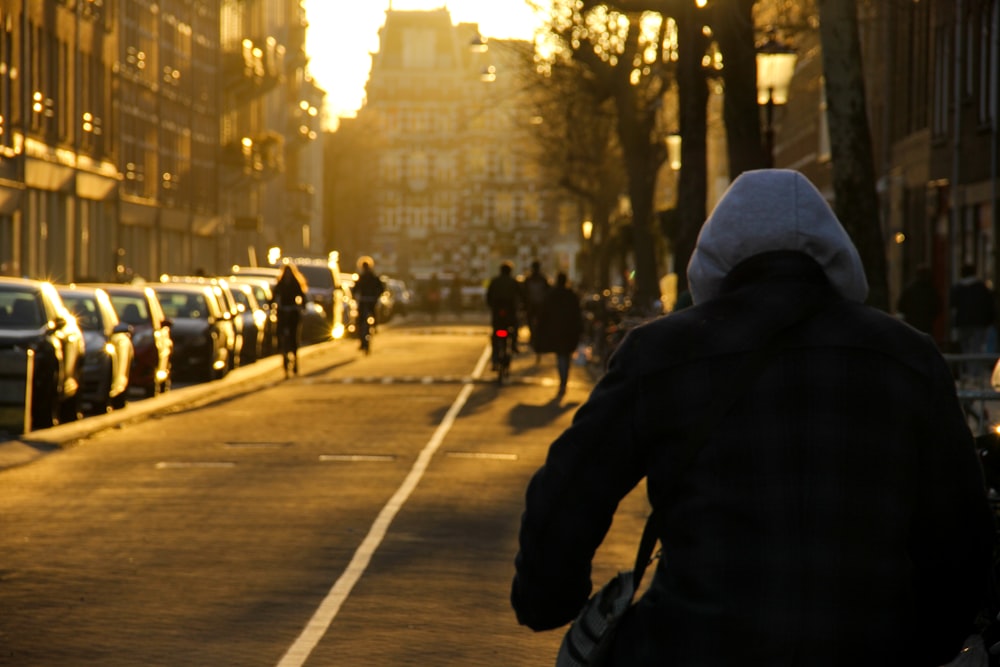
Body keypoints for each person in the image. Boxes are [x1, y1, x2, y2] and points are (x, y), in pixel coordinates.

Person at [511, 169, 994, 665]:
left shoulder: (661, 354)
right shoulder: (908, 358)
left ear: (714, 258)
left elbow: (571, 485)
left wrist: (547, 596)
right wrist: (924, 639)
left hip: (695, 643)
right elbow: (960, 527)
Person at [535, 272, 582, 396]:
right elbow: (577, 313)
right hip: (569, 330)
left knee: (561, 356)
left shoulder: (551, 295)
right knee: (565, 355)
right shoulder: (571, 295)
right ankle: (564, 381)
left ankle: (563, 382)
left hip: (556, 330)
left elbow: (543, 313)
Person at [271, 262, 307, 375]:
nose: (287, 276)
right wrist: (271, 303)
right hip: (282, 311)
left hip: (292, 311)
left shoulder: (295, 283)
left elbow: (302, 295)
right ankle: (283, 352)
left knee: (293, 336)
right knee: (281, 333)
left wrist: (302, 306)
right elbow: (274, 295)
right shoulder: (280, 284)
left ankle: (295, 359)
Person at [486, 261, 521, 366]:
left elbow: (488, 296)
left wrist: (491, 306)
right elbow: (522, 295)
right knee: (515, 327)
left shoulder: (494, 281)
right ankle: (514, 345)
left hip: (497, 313)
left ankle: (495, 356)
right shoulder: (513, 282)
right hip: (510, 313)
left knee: (495, 334)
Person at [896, 264, 939, 336]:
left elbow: (901, 306)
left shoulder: (910, 289)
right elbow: (937, 306)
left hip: (912, 323)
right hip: (926, 324)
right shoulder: (931, 290)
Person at [522, 260, 551, 360]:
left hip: (532, 307)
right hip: (539, 307)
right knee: (539, 324)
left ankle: (534, 337)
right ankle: (538, 338)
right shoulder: (543, 279)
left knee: (532, 323)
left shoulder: (529, 279)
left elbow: (523, 294)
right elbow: (548, 293)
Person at [354, 258, 385, 350]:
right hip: (370, 300)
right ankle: (375, 327)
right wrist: (376, 296)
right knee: (372, 314)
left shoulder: (363, 277)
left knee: (360, 320)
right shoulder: (373, 277)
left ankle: (363, 337)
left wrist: (355, 296)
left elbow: (355, 289)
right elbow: (381, 288)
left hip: (365, 301)